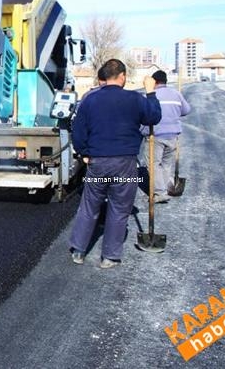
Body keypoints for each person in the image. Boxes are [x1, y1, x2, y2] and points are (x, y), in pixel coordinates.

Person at [68, 59, 162, 268]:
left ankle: (79, 251)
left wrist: (84, 153)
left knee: (89, 206)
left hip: (97, 163)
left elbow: (78, 131)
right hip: (124, 164)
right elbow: (154, 117)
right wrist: (151, 93)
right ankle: (109, 257)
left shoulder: (90, 100)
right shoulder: (134, 99)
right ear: (122, 76)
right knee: (119, 208)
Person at [139, 70, 191, 201]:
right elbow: (186, 110)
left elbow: (143, 116)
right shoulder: (176, 94)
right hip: (173, 136)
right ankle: (164, 188)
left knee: (154, 164)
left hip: (155, 135)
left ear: (154, 82)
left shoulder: (150, 95)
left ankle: (160, 193)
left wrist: (141, 131)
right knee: (166, 164)